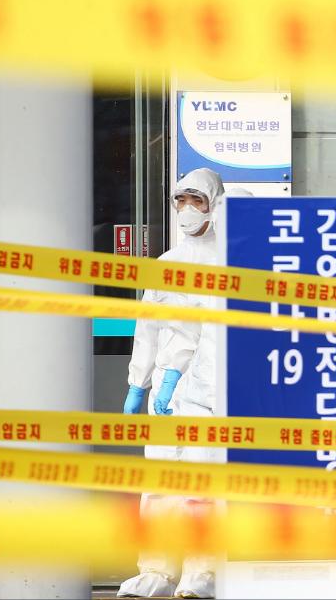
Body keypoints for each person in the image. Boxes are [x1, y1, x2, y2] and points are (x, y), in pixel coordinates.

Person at [118, 168, 225, 599]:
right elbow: (150, 330)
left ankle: (202, 571)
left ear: (215, 203)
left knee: (203, 485)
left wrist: (167, 377)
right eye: (180, 200)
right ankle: (155, 570)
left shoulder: (229, 261)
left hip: (208, 389)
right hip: (167, 391)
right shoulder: (167, 264)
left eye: (196, 200)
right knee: (160, 483)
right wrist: (137, 384)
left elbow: (193, 333)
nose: (186, 209)